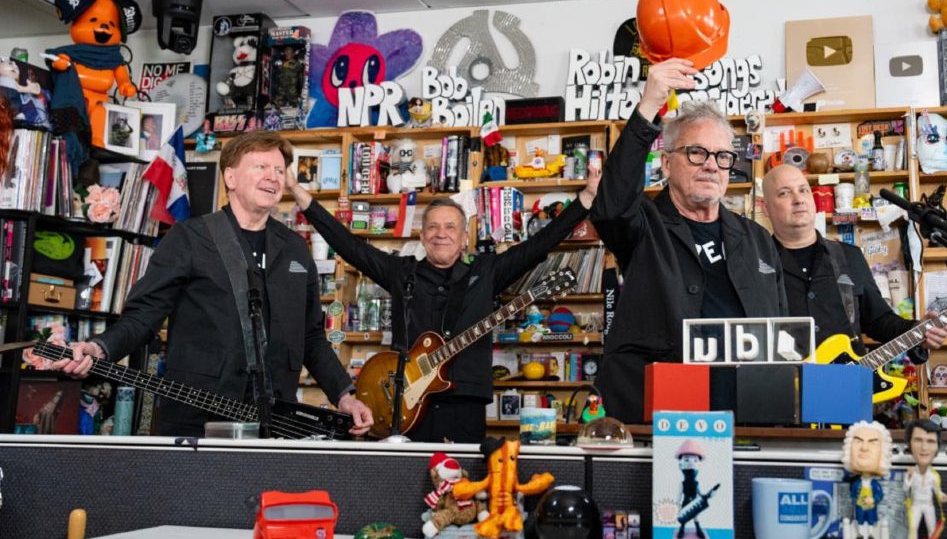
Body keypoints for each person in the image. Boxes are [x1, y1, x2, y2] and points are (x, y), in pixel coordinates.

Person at [55, 131, 373, 438]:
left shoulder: (294, 248)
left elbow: (312, 336)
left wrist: (344, 395)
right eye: (260, 167)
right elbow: (144, 315)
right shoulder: (190, 238)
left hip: (275, 422)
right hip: (197, 419)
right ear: (230, 178)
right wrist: (100, 347)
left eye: (279, 170)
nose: (273, 177)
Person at [287, 162, 601, 443]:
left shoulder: (486, 271)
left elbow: (539, 244)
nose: (441, 234)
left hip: (463, 407)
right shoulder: (402, 272)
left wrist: (585, 198)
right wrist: (301, 195)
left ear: (465, 237)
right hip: (402, 405)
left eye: (451, 227)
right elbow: (349, 245)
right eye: (433, 227)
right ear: (422, 237)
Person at [589, 58, 788, 424]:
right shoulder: (643, 224)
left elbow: (783, 335)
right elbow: (610, 206)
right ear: (666, 164)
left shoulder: (756, 239)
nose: (711, 165)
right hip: (661, 414)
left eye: (722, 156)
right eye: (696, 153)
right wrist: (649, 105)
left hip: (750, 415)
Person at [762, 164, 947, 361]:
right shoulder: (754, 263)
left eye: (803, 190)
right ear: (766, 209)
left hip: (848, 383)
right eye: (784, 193)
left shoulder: (849, 256)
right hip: (783, 386)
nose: (799, 199)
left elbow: (878, 320)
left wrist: (916, 331)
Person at [842, 420, 892, 539]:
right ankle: (859, 534)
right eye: (858, 441)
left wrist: (873, 500)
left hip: (870, 506)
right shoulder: (856, 483)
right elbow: (852, 492)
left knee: (870, 520)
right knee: (859, 519)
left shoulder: (874, 484)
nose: (864, 448)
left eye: (872, 443)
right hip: (859, 505)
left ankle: (870, 534)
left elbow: (879, 494)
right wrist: (855, 499)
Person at [904, 419, 947, 539]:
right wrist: (908, 477)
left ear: (937, 447)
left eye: (930, 441)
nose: (924, 448)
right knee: (912, 530)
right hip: (915, 505)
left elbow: (937, 492)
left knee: (933, 530)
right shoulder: (912, 472)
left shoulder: (934, 475)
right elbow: (905, 489)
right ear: (909, 444)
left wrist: (942, 496)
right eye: (918, 440)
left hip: (929, 505)